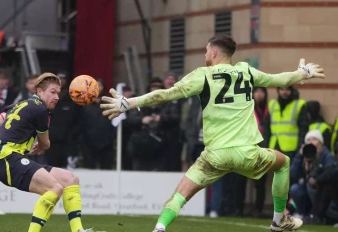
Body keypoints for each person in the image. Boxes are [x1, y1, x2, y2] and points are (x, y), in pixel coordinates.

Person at [100, 34, 325, 232]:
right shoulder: (246, 71)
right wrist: (301, 73)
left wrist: (129, 103)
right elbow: (280, 79)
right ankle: (278, 221)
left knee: (180, 195)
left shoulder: (203, 75)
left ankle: (159, 228)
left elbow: (166, 94)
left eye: (206, 50)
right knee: (283, 162)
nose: (205, 54)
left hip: (214, 156)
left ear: (214, 52)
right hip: (247, 154)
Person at [0, 73, 92, 232]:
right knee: (54, 189)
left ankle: (78, 230)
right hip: (8, 158)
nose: (57, 97)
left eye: (58, 93)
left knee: (70, 179)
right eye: (52, 92)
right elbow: (45, 143)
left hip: (6, 158)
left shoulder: (20, 105)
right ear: (39, 92)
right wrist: (43, 145)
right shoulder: (41, 109)